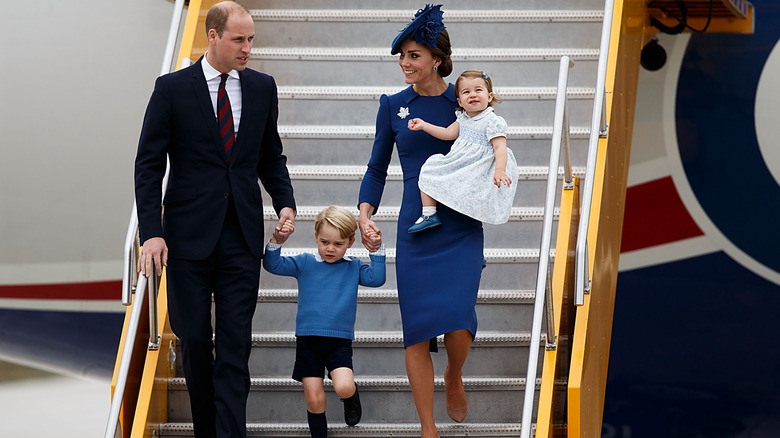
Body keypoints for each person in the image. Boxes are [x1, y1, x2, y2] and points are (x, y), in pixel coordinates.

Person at [133, 2, 296, 437]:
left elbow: (269, 155)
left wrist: (285, 203)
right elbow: (148, 166)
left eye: (251, 40)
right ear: (212, 35)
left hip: (241, 235)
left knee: (234, 346)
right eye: (238, 39)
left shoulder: (262, 87)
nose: (247, 48)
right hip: (186, 239)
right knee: (196, 344)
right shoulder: (171, 89)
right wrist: (151, 232)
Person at [357, 4, 480, 437]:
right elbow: (376, 168)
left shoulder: (463, 100)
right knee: (416, 333)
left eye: (413, 55)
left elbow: (491, 146)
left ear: (436, 59)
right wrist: (365, 213)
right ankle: (428, 428)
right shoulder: (392, 105)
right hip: (416, 226)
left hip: (462, 222)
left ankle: (455, 373)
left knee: (459, 323)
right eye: (402, 56)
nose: (405, 64)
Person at [262, 206, 385, 438]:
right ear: (316, 237)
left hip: (338, 342)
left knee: (344, 386)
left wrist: (377, 250)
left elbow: (377, 279)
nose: (330, 249)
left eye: (338, 244)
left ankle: (351, 397)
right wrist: (277, 240)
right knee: (314, 398)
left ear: (350, 242)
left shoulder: (353, 265)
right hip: (308, 342)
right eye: (324, 241)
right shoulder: (306, 262)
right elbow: (273, 265)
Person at [406, 69, 518, 233]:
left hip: (480, 166)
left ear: (489, 97)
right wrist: (424, 125)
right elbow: (447, 133)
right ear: (459, 101)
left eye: (478, 90)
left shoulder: (492, 121)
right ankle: (429, 214)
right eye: (466, 92)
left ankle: (464, 212)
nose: (472, 95)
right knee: (430, 168)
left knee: (471, 188)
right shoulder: (463, 118)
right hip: (461, 162)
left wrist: (500, 170)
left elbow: (500, 147)